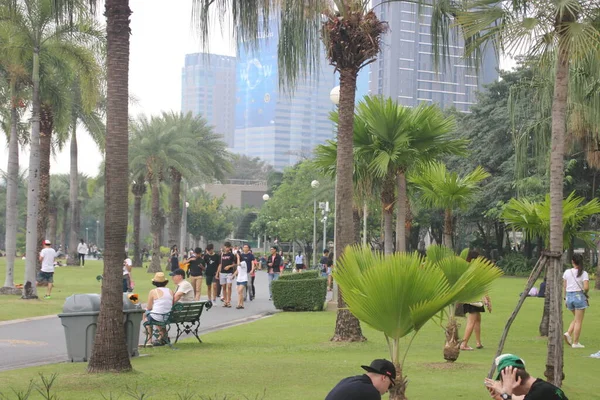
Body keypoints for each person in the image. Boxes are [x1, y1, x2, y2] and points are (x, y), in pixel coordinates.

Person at [484, 354, 568, 400]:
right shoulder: (540, 388)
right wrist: (499, 396)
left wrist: (505, 393)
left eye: (504, 384)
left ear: (516, 382)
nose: (502, 386)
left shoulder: (540, 393)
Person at [461, 250, 492, 351]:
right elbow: (478, 286)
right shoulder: (471, 270)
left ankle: (478, 342)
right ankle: (463, 344)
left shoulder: (472, 269)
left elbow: (482, 286)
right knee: (472, 321)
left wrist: (487, 299)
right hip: (473, 299)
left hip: (475, 298)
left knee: (477, 319)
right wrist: (486, 299)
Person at [325, 359, 396, 400]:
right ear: (384, 378)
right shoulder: (371, 392)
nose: (387, 390)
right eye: (389, 385)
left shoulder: (348, 380)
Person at [563, 253, 589, 348]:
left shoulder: (567, 272)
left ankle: (568, 333)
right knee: (579, 321)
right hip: (579, 296)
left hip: (569, 296)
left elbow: (564, 286)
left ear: (572, 261)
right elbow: (586, 287)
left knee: (576, 318)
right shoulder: (584, 273)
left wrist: (565, 298)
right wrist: (585, 292)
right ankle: (575, 342)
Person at [144, 272, 174, 346]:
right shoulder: (170, 291)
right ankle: (162, 334)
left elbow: (149, 307)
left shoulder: (153, 292)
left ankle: (149, 338)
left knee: (145, 314)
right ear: (165, 282)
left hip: (158, 316)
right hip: (168, 316)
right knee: (158, 315)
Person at [217, 241, 239, 308]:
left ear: (230, 248)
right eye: (225, 247)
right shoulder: (221, 254)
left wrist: (229, 266)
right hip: (222, 273)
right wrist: (217, 273)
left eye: (228, 247)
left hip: (229, 272)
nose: (226, 248)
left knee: (229, 286)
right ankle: (225, 301)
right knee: (223, 287)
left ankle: (229, 301)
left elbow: (235, 264)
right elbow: (220, 264)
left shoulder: (231, 255)